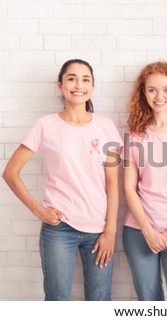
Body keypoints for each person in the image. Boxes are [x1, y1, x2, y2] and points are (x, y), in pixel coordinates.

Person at [2, 59, 122, 301]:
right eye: (71, 78)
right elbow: (10, 172)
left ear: (93, 86)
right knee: (58, 300)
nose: (79, 85)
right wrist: (39, 210)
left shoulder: (106, 126)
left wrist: (110, 231)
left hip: (99, 230)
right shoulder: (45, 126)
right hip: (59, 230)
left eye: (85, 79)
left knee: (100, 301)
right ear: (60, 85)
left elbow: (112, 183)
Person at [122, 61, 167, 301]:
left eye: (165, 89)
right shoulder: (135, 134)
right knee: (148, 300)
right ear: (143, 92)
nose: (159, 96)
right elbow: (129, 189)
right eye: (152, 89)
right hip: (139, 230)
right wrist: (147, 230)